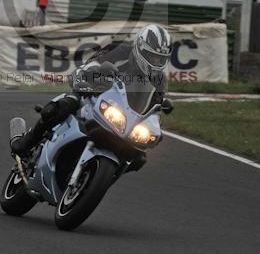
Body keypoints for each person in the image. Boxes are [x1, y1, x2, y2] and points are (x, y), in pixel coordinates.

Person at [11, 24, 173, 160]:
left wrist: (156, 126)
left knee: (139, 156)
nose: (155, 62)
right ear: (139, 47)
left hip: (124, 115)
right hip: (97, 92)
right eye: (151, 56)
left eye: (160, 59)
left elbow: (154, 108)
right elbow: (91, 64)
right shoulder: (120, 50)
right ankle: (26, 142)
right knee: (65, 105)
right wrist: (88, 75)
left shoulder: (159, 80)